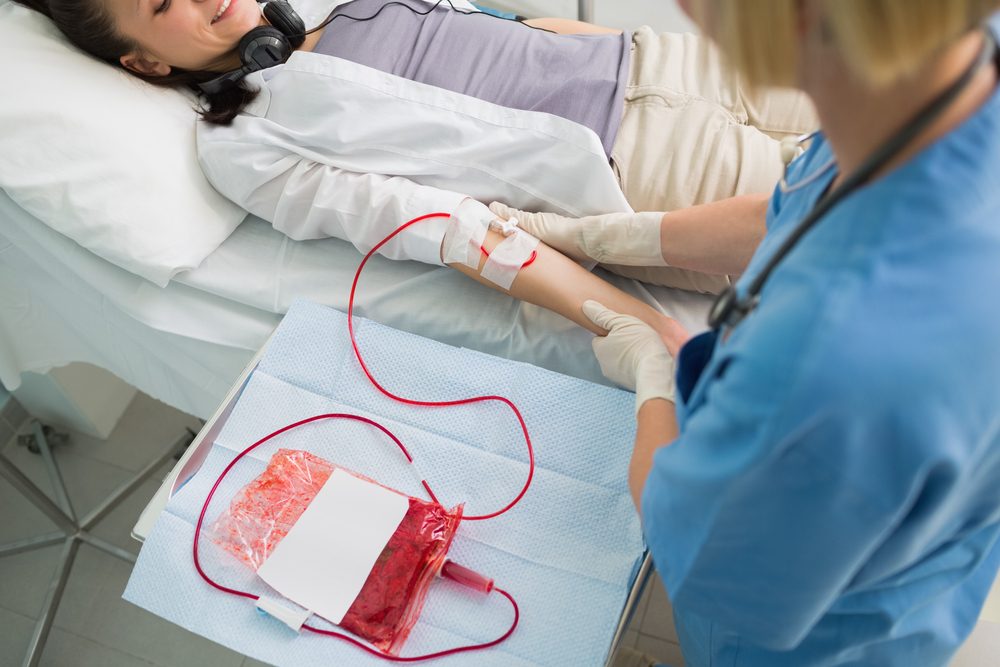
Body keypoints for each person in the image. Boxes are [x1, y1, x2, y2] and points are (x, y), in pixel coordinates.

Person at [513, 1, 1000, 665]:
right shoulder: (942, 75)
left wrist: (654, 376)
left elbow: (684, 531)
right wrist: (626, 235)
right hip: (932, 554)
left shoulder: (831, 363)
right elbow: (805, 200)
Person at [15, 0, 815, 349]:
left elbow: (521, 29)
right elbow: (455, 233)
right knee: (890, 226)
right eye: (164, 3)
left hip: (679, 65)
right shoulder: (251, 142)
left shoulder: (343, 11)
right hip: (647, 158)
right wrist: (646, 333)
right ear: (146, 61)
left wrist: (632, 47)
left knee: (931, 129)